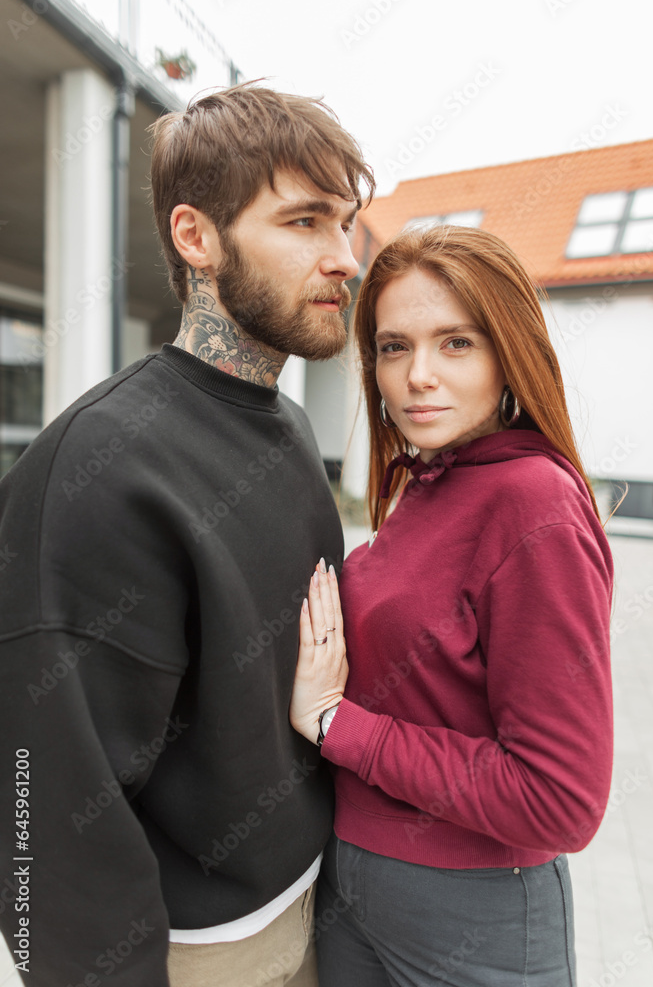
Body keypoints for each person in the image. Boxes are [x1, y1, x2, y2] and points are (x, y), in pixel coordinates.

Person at [0, 83, 374, 987]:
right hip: (200, 954)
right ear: (195, 236)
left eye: (345, 224)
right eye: (304, 222)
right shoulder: (100, 469)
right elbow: (42, 801)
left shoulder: (286, 427)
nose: (344, 258)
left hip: (315, 905)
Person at [290, 225, 614, 987]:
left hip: (474, 914)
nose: (417, 376)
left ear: (507, 354)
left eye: (455, 343)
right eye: (393, 347)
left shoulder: (533, 502)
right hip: (353, 891)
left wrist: (337, 726)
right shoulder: (433, 477)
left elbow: (559, 799)